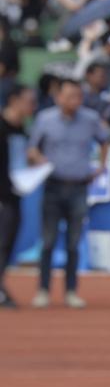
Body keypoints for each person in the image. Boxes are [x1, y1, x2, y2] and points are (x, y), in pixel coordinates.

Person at [27, 79, 109, 309]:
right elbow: (32, 148)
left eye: (78, 96)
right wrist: (39, 159)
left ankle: (71, 291)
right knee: (48, 241)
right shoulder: (45, 119)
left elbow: (105, 140)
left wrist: (101, 166)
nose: (75, 101)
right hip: (52, 186)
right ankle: (43, 290)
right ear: (58, 97)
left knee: (73, 243)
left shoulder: (90, 119)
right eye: (70, 96)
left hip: (79, 187)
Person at [0, 84, 36, 309]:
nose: (33, 106)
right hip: (2, 196)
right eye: (29, 101)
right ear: (14, 101)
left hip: (14, 194)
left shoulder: (21, 129)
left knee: (7, 244)